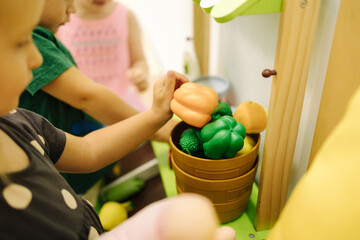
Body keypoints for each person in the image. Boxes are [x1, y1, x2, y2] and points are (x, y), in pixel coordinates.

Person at [0, 1, 236, 239]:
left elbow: (88, 150)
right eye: (21, 43)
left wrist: (156, 116)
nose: (36, 58)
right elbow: (87, 96)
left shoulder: (21, 124)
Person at [18, 0, 177, 194]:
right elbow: (87, 96)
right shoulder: (33, 37)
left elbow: (90, 148)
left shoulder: (124, 15)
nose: (72, 9)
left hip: (85, 153)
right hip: (68, 174)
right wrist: (160, 128)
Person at [57, 0, 148, 112]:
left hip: (124, 102)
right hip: (82, 108)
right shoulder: (60, 21)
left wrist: (140, 73)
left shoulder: (126, 16)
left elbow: (139, 60)